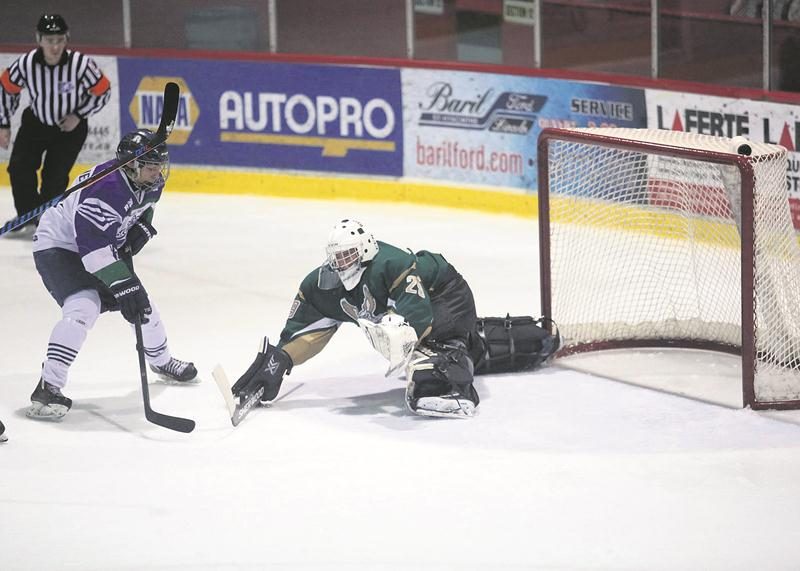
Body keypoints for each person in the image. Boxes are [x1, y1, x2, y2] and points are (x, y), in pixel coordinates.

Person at [230, 219, 559, 419]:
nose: (342, 264)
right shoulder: (324, 285)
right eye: (336, 258)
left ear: (365, 250)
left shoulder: (392, 264)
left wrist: (403, 334)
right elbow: (310, 329)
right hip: (426, 311)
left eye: (348, 255)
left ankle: (452, 382)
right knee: (429, 344)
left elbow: (419, 315)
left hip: (447, 297)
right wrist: (281, 358)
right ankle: (511, 343)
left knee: (429, 353)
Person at [28, 128, 197, 420]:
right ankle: (48, 386)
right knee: (84, 305)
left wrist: (143, 225)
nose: (158, 173)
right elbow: (92, 249)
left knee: (141, 306)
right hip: (60, 246)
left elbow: (145, 205)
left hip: (102, 244)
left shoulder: (148, 180)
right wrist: (124, 285)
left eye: (160, 166)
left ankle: (161, 360)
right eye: (151, 167)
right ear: (132, 165)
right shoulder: (105, 189)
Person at [0, 14, 111, 235]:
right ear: (39, 39)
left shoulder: (80, 64)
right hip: (36, 124)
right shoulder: (26, 63)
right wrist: (3, 123)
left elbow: (103, 91)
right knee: (19, 168)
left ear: (66, 39)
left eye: (60, 40)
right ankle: (27, 215)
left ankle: (45, 221)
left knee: (54, 178)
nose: (55, 46)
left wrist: (78, 115)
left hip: (69, 130)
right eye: (50, 40)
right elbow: (6, 88)